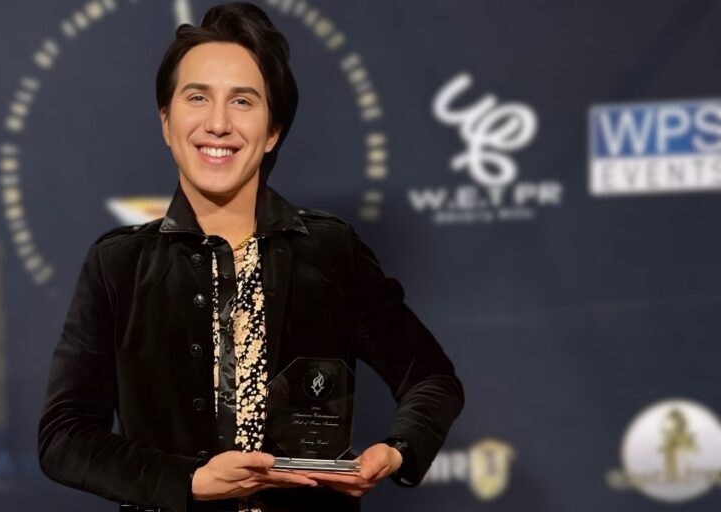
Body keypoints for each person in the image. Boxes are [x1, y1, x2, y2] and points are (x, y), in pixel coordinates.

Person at [38, 3, 464, 511]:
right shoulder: (119, 264)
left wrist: (395, 453)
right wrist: (188, 481)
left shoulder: (330, 251)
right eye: (197, 97)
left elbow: (431, 378)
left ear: (272, 130)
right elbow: (65, 437)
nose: (218, 123)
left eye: (243, 101)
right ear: (166, 120)